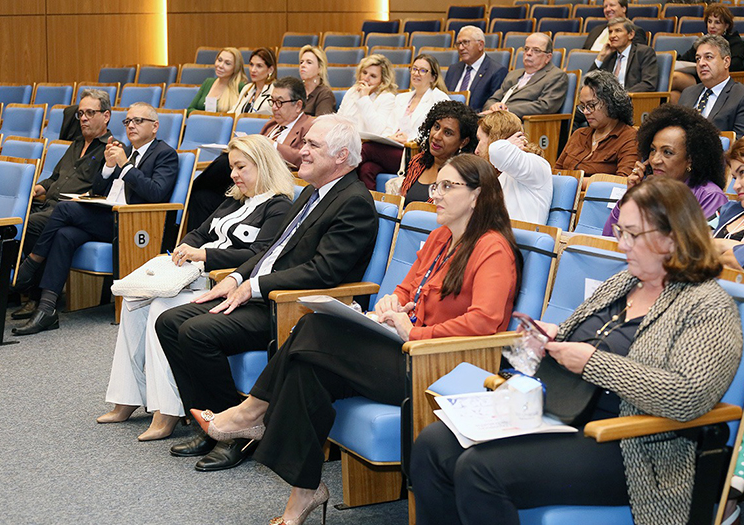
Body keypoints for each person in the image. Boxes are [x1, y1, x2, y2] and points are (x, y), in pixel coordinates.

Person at [189, 153, 522, 525]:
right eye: (436, 185)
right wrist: (393, 302)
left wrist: (415, 331)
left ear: (477, 196)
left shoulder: (493, 248)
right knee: (308, 370)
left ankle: (252, 412)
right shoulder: (442, 235)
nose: (435, 194)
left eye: (447, 186)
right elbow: (410, 285)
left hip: (444, 366)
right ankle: (304, 493)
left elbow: (485, 323)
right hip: (408, 349)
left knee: (315, 329)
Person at [411, 176, 742, 525]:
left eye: (632, 234)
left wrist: (594, 363)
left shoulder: (707, 306)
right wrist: (550, 340)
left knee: (480, 470)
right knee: (434, 443)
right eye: (620, 233)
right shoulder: (623, 282)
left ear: (672, 237)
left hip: (634, 445)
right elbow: (574, 337)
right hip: (563, 415)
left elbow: (689, 395)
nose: (621, 244)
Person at [155, 115, 378, 472]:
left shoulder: (353, 202)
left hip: (294, 308)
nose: (301, 151)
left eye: (312, 146)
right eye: (304, 143)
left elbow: (325, 272)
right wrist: (237, 277)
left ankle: (238, 431)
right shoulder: (312, 192)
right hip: (264, 294)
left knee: (196, 332)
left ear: (340, 156)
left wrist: (253, 286)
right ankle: (214, 425)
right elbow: (272, 249)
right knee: (169, 322)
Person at [96, 135, 294, 441]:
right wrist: (187, 246)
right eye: (232, 167)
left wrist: (205, 254)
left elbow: (260, 255)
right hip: (196, 274)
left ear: (263, 165)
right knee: (135, 301)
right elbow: (200, 232)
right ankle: (128, 396)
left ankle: (170, 410)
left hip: (221, 282)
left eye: (241, 167)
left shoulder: (279, 206)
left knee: (161, 308)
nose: (233, 175)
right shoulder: (235, 199)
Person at [11, 102, 179, 335]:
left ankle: (32, 262)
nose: (131, 126)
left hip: (132, 222)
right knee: (64, 234)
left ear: (155, 127)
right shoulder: (124, 151)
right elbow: (99, 188)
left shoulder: (165, 154)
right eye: (128, 121)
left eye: (138, 121)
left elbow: (156, 193)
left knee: (64, 209)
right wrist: (109, 167)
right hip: (107, 215)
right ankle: (47, 309)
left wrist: (125, 165)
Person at [12, 89, 113, 321]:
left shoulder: (111, 149)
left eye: (90, 112)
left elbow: (102, 191)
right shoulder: (76, 144)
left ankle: (29, 285)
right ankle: (31, 294)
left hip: (74, 213)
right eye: (80, 114)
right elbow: (55, 178)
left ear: (106, 116)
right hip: (49, 206)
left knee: (26, 225)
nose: (84, 118)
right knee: (12, 219)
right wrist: (39, 188)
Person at [184, 77, 312, 232]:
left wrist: (273, 145)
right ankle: (196, 245)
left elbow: (302, 157)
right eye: (272, 102)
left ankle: (188, 190)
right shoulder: (271, 125)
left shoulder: (309, 126)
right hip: (250, 180)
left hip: (272, 182)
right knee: (201, 197)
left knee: (225, 162)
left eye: (279, 102)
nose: (274, 108)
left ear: (298, 105)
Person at [603, 104, 728, 236]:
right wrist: (631, 198)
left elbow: (696, 251)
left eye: (667, 152)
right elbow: (609, 237)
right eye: (652, 150)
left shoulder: (710, 196)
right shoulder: (648, 189)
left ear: (690, 159)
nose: (655, 160)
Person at [357, 54, 450, 189]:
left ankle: (337, 184)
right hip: (393, 148)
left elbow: (438, 133)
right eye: (414, 69)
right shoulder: (402, 98)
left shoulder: (439, 98)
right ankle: (367, 206)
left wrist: (409, 139)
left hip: (415, 153)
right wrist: (390, 137)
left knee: (366, 149)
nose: (416, 73)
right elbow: (389, 126)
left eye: (423, 70)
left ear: (433, 77)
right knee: (367, 169)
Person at [387, 101, 479, 206]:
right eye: (436, 127)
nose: (436, 136)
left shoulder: (460, 179)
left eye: (447, 133)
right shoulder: (418, 161)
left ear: (464, 142)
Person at [555, 70, 639, 180]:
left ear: (610, 102)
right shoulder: (578, 135)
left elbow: (623, 182)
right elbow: (555, 173)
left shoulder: (629, 137)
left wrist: (572, 181)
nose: (585, 111)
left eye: (591, 105)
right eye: (583, 106)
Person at [475, 110, 552, 224]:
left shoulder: (536, 164)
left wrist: (506, 143)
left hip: (522, 240)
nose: (476, 151)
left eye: (480, 140)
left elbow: (497, 151)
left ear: (494, 139)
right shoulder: (501, 174)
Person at [677, 34, 744, 138]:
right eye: (698, 58)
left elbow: (741, 144)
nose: (701, 63)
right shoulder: (688, 92)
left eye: (708, 57)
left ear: (726, 62)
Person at [671, 3, 744, 104]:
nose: (712, 26)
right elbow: (683, 60)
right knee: (673, 95)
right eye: (709, 21)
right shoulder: (703, 43)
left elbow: (736, 64)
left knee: (674, 78)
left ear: (726, 25)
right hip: (699, 76)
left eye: (717, 22)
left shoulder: (735, 42)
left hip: (717, 80)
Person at [482, 33, 568, 119]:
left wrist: (507, 110)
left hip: (522, 123)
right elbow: (492, 100)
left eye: (536, 50)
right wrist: (493, 106)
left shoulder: (556, 76)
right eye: (526, 49)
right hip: (496, 119)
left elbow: (546, 106)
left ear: (548, 57)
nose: (529, 53)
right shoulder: (513, 74)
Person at [713, 134, 744, 274]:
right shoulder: (728, 209)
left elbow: (743, 264)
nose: (735, 186)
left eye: (743, 172)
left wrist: (716, 244)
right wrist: (739, 247)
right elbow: (687, 246)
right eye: (734, 177)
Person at [444, 26, 508, 112]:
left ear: (480, 45)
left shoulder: (496, 71)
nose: (461, 48)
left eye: (466, 42)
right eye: (458, 44)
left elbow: (492, 106)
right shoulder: (453, 69)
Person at [588, 18, 658, 93]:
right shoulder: (610, 55)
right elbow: (589, 83)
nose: (612, 36)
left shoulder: (643, 52)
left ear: (631, 35)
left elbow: (648, 84)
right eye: (610, 32)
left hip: (632, 100)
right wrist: (601, 57)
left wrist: (621, 96)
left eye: (618, 31)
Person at [338, 53, 397, 135]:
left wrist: (364, 98)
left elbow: (377, 130)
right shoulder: (352, 91)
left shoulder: (387, 98)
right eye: (364, 73)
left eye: (373, 76)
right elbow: (338, 119)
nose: (366, 78)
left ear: (383, 81)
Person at [187, 47, 247, 115]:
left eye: (227, 63)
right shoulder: (208, 82)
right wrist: (206, 115)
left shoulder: (241, 87)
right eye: (219, 60)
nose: (220, 65)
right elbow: (190, 110)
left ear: (235, 68)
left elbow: (241, 115)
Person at [582, 0, 648, 51]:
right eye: (605, 6)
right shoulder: (596, 30)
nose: (608, 9)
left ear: (623, 9)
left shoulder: (635, 31)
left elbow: (634, 59)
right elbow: (583, 53)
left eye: (612, 5)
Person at [231, 47, 277, 116]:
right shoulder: (247, 88)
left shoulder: (275, 91)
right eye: (251, 65)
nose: (253, 70)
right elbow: (234, 112)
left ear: (270, 70)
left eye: (259, 66)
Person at [298, 45, 335, 116]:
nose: (303, 65)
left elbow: (321, 124)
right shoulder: (295, 91)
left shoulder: (325, 94)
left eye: (309, 62)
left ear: (320, 68)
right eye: (301, 62)